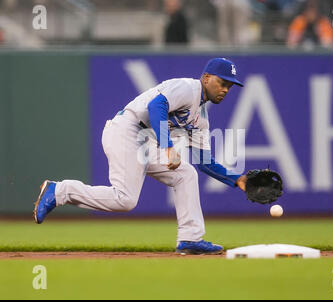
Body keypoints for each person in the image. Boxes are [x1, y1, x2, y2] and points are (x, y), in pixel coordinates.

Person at [33, 58, 248, 255]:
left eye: (229, 86)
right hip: (127, 129)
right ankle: (59, 190)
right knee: (125, 199)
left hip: (145, 141)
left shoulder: (201, 118)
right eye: (222, 82)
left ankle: (190, 239)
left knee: (186, 173)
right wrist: (168, 146)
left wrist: (237, 179)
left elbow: (205, 162)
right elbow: (156, 106)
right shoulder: (188, 88)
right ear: (206, 78)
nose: (225, 89)